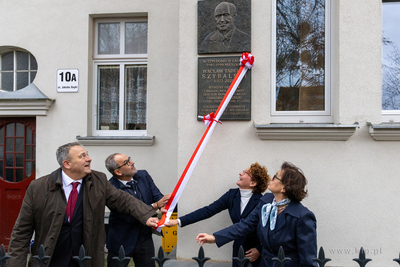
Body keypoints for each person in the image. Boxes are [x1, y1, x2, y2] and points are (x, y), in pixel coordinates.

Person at [7, 142, 159, 267]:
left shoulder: (99, 180)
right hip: (50, 259)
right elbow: (22, 231)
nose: (89, 159)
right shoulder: (38, 187)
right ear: (67, 164)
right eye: (83, 156)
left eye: (87, 154)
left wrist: (146, 215)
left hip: (86, 259)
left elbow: (123, 200)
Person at [196, 162, 317, 267]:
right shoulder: (266, 201)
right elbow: (245, 225)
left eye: (275, 177)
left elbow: (308, 260)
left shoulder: (303, 217)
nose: (271, 178)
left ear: (284, 188)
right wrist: (215, 237)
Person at [166, 162, 269, 267]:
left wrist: (259, 249)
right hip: (238, 249)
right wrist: (178, 221)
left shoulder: (262, 201)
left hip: (256, 251)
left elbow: (268, 230)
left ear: (252, 183)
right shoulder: (231, 195)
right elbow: (208, 210)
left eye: (245, 172)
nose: (240, 173)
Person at [105, 153, 171, 267]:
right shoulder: (111, 188)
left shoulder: (143, 175)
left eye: (129, 159)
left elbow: (157, 195)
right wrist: (155, 206)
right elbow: (128, 213)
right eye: (126, 162)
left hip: (144, 237)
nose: (132, 162)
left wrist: (163, 205)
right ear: (118, 172)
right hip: (122, 239)